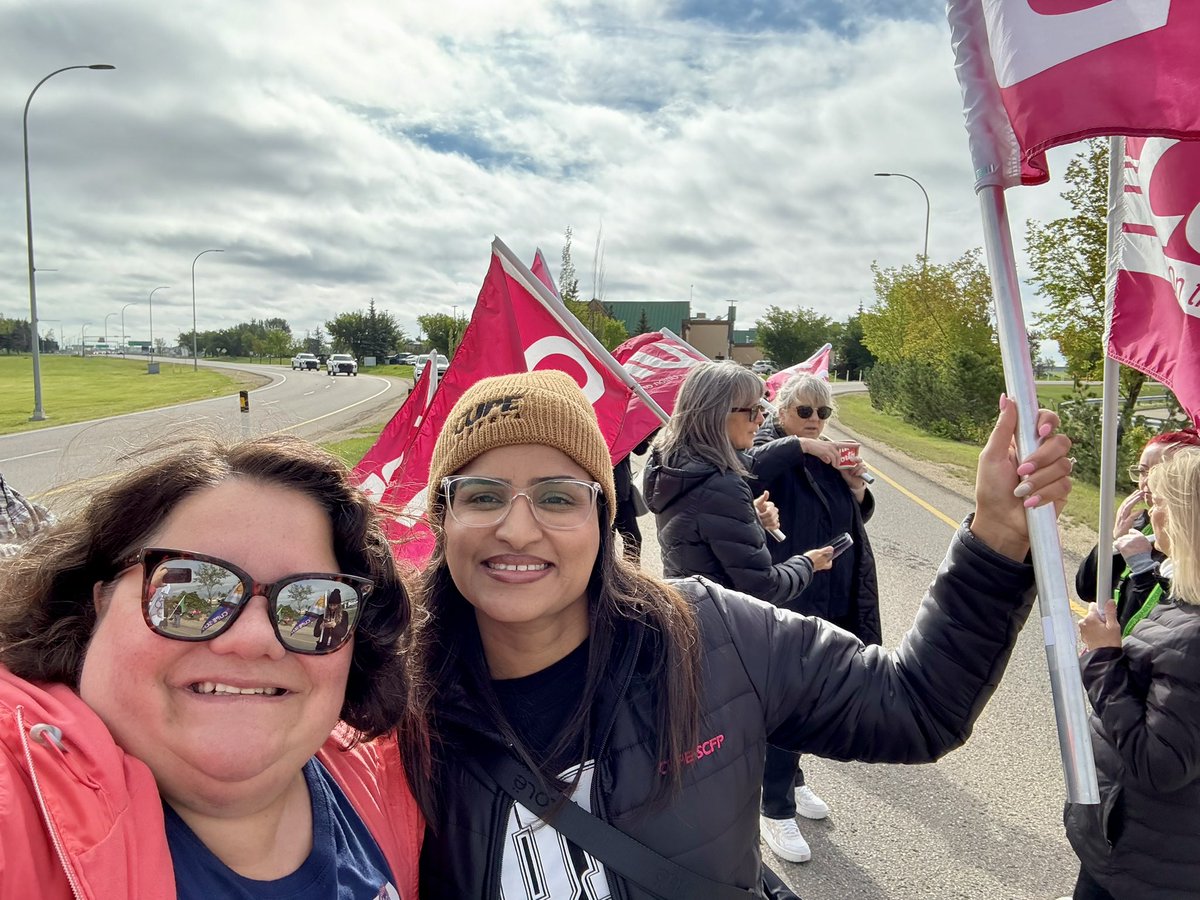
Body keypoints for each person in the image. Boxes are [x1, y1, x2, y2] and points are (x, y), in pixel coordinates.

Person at [406, 370, 1071, 900]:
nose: (518, 529)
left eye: (558, 497)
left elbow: (917, 706)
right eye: (483, 496)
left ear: (602, 518)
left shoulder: (715, 636)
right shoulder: (383, 706)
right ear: (442, 517)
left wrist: (997, 537)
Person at [0, 435, 425, 899]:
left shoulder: (383, 772)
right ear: (98, 603)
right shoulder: (14, 800)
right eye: (194, 591)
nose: (254, 639)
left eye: (315, 603)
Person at [752, 373, 881, 859]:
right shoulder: (768, 449)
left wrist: (855, 487)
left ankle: (792, 776)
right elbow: (747, 474)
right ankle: (774, 808)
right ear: (781, 410)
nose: (814, 421)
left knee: (813, 695)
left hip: (831, 588)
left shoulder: (826, 455)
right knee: (791, 697)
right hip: (790, 589)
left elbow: (848, 518)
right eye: (803, 411)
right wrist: (803, 448)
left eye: (822, 413)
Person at [1067, 447, 1200, 900]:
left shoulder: (1194, 632)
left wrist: (1103, 658)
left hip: (1149, 862)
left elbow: (1160, 763)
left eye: (1158, 501)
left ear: (1184, 517)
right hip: (1145, 841)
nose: (1151, 511)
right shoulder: (1182, 599)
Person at [1075, 429, 1200, 627]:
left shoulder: (1192, 541)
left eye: (1160, 471)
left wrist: (1143, 568)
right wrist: (1113, 540)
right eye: (1143, 471)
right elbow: (1087, 590)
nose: (1147, 481)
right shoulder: (1139, 523)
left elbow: (1178, 621)